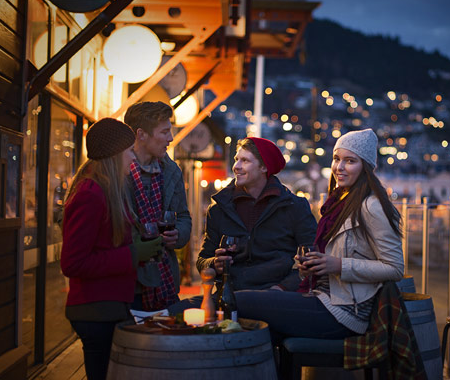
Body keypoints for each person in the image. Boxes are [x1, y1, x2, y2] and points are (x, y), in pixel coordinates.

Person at [235, 129, 404, 342]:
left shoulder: (372, 206)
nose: (339, 167)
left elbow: (395, 268)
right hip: (322, 297)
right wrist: (310, 267)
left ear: (366, 168)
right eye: (336, 159)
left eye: (350, 161)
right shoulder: (339, 204)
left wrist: (339, 265)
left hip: (344, 312)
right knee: (262, 331)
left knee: (240, 302)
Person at [61, 118, 163, 380]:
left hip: (107, 306)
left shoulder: (104, 189)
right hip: (96, 310)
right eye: (129, 150)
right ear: (114, 153)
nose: (132, 156)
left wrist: (141, 248)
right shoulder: (90, 193)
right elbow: (73, 263)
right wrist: (133, 254)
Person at [199, 137, 317, 291]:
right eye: (236, 159)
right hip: (231, 295)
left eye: (245, 161)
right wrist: (214, 264)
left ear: (264, 167)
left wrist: (282, 288)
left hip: (278, 296)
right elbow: (202, 260)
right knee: (181, 309)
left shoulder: (295, 207)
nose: (236, 166)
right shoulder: (218, 209)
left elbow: (312, 259)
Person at [123, 101, 192, 311]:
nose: (171, 138)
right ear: (141, 134)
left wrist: (178, 233)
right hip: (127, 280)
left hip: (164, 276)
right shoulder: (116, 171)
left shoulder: (171, 171)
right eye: (164, 132)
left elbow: (183, 217)